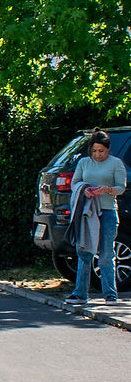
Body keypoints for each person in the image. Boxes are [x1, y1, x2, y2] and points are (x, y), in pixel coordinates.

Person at [64, 129, 127, 305]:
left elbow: (121, 187)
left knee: (106, 254)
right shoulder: (84, 163)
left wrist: (107, 189)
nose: (98, 155)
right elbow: (75, 183)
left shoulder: (116, 163)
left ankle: (110, 294)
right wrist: (85, 190)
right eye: (95, 151)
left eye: (101, 151)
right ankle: (80, 293)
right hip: (88, 211)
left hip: (107, 212)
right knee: (84, 252)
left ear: (108, 149)